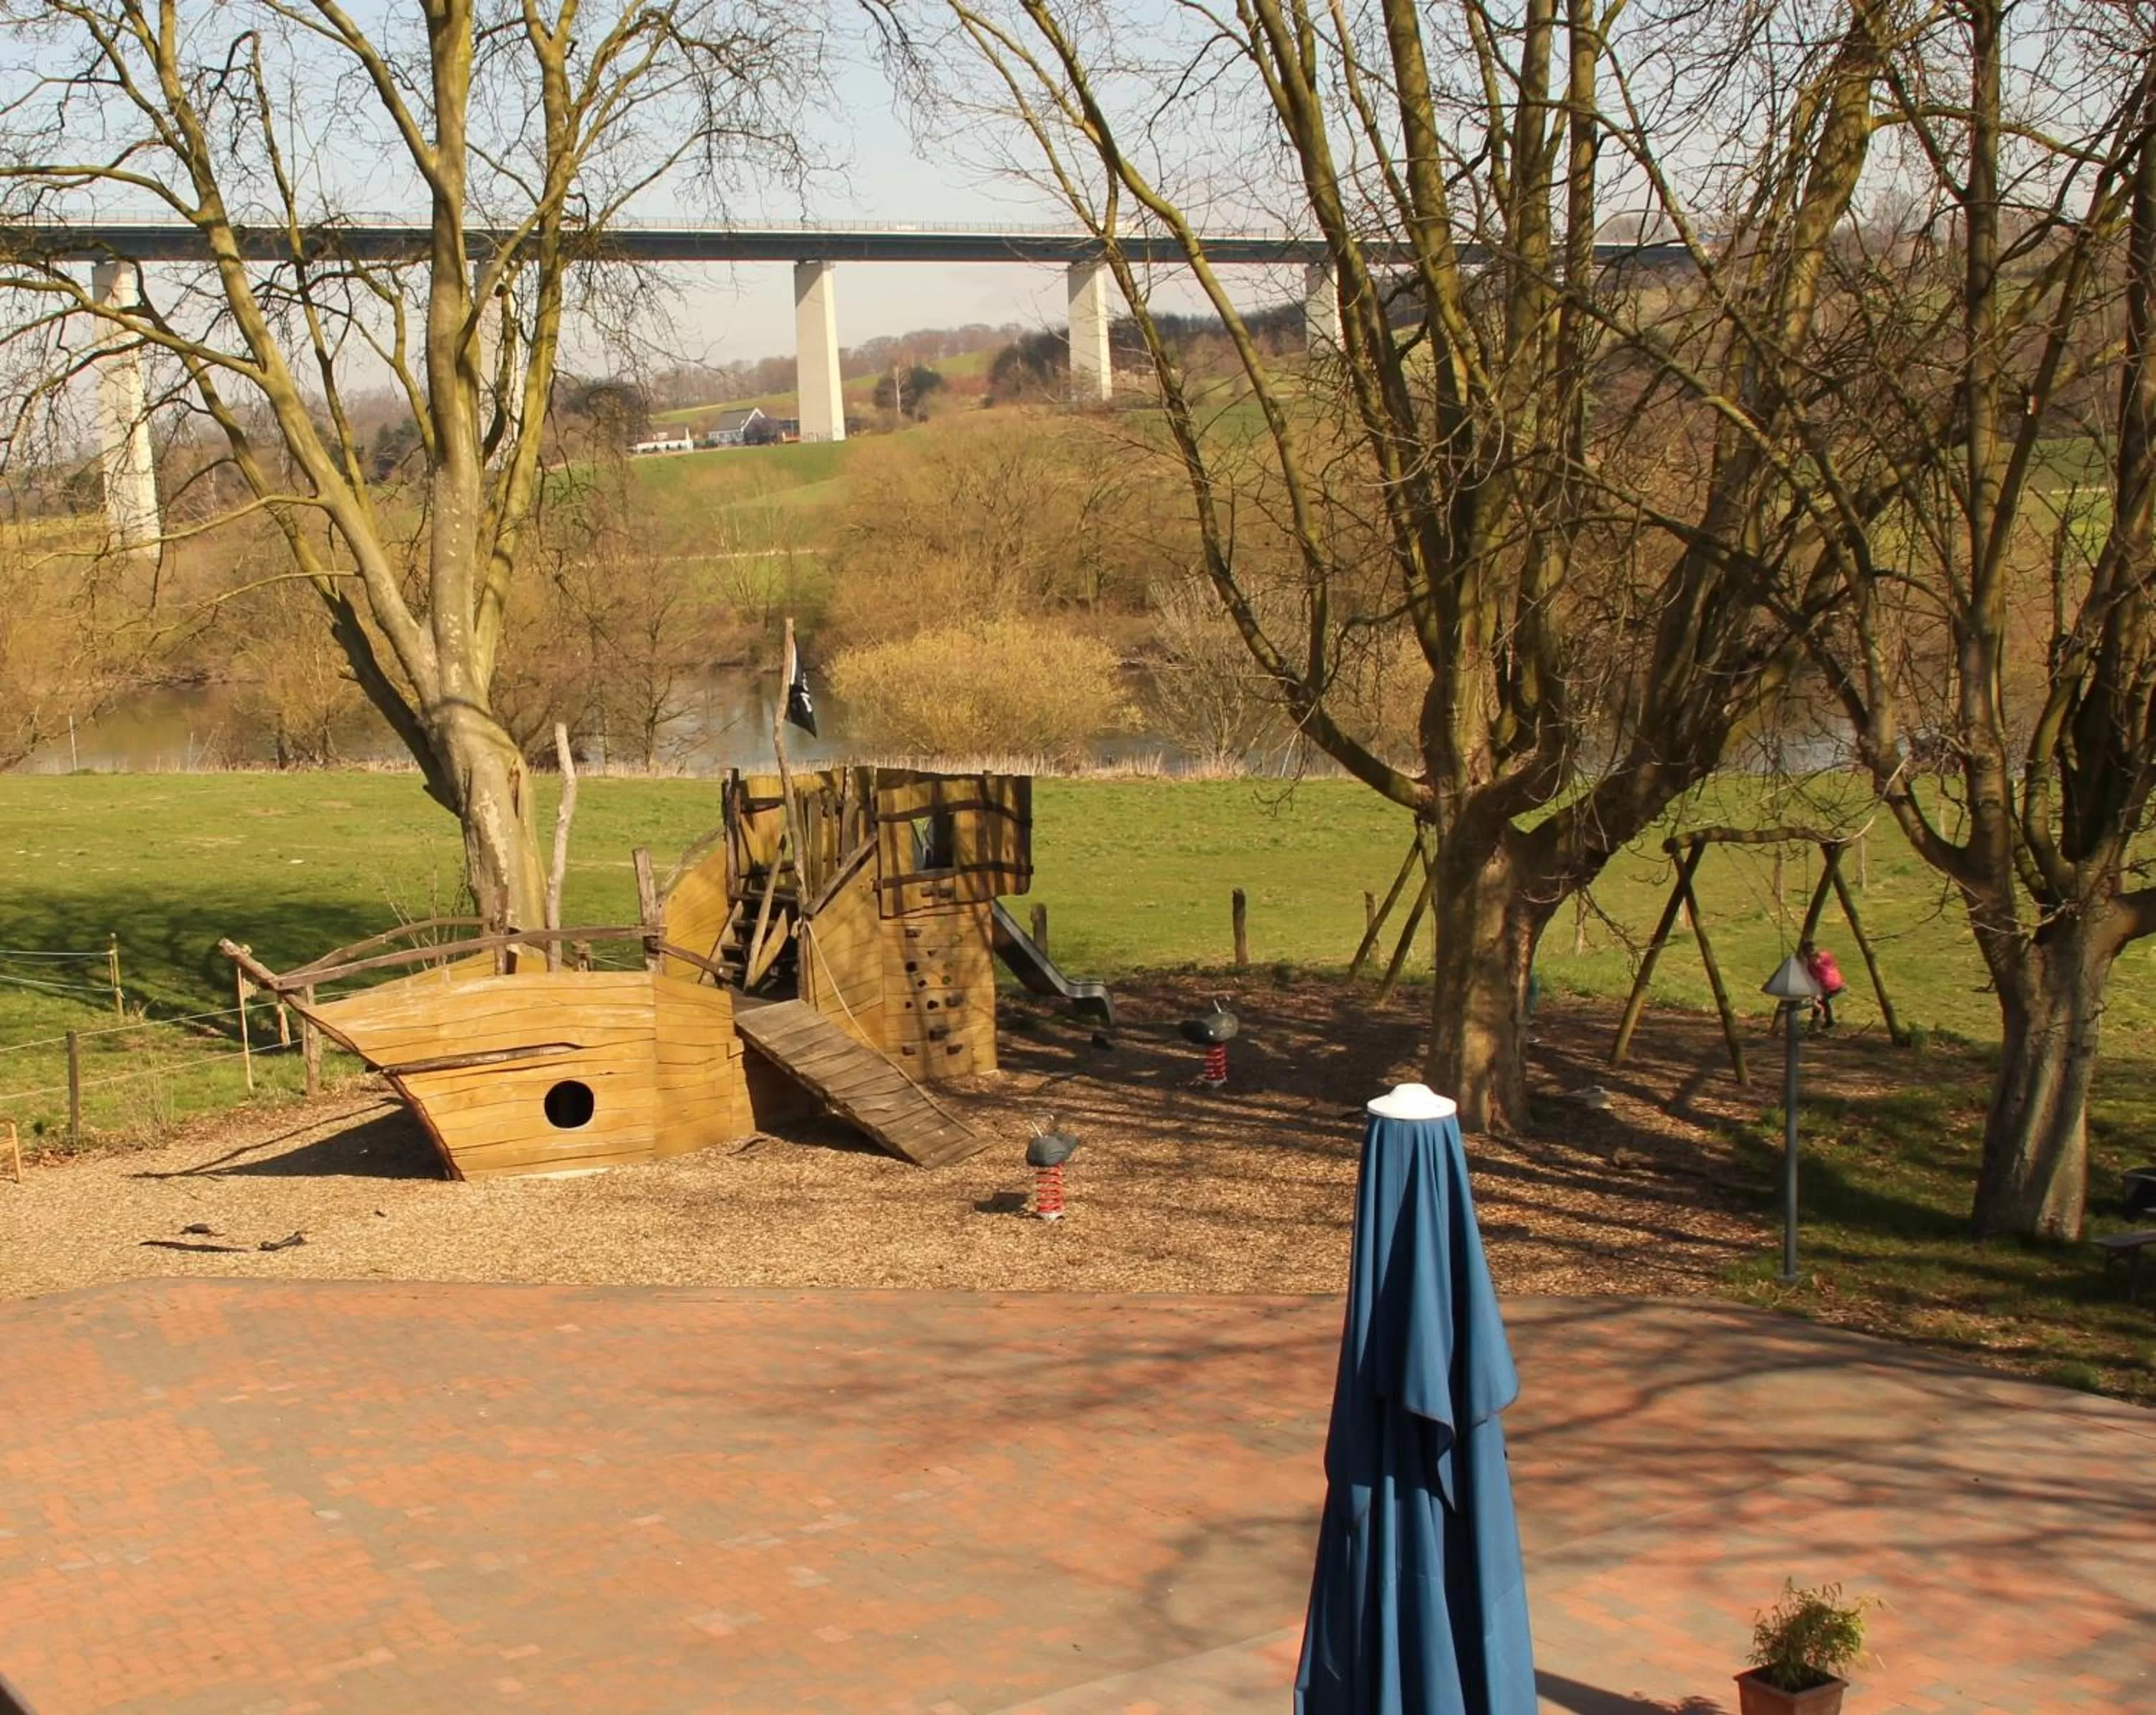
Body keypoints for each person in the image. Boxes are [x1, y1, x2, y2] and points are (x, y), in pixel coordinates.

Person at [1800, 939, 1847, 1029]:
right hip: (1826, 988)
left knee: (1824, 1001)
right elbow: (1815, 981)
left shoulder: (1826, 957)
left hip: (1835, 986)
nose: (1811, 959)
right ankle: (1816, 1022)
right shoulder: (1810, 967)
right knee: (1819, 1001)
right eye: (1808, 957)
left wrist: (1818, 963)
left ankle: (1829, 1022)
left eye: (1812, 956)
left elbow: (1826, 972)